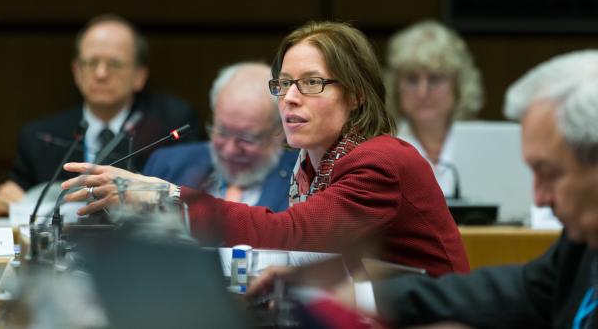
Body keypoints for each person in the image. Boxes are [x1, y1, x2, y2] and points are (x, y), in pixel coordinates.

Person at [63, 21, 469, 277]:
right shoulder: (315, 161)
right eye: (284, 84)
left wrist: (160, 195)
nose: (290, 98)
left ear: (357, 95)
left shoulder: (380, 162)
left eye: (311, 83)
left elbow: (289, 235)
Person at [250, 50, 598, 328]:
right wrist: (354, 299)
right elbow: (514, 292)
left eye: (549, 172)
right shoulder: (581, 248)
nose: (538, 196)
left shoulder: (380, 159)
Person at [0, 14, 203, 216]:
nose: (100, 74)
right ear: (76, 72)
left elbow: (193, 203)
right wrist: (1, 205)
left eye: (114, 64)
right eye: (91, 63)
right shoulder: (39, 137)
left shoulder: (170, 127)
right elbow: (11, 200)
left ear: (139, 75)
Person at [143, 62, 297, 211]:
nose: (230, 150)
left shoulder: (305, 182)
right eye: (222, 132)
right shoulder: (168, 166)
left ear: (280, 130)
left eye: (247, 138)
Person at [384, 21, 484, 197]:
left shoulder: (485, 144)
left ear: (459, 85)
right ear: (395, 87)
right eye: (412, 80)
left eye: (435, 79)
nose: (423, 93)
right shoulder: (379, 149)